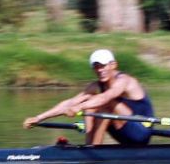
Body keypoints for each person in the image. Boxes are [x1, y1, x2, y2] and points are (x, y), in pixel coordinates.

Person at [22, 49, 155, 145]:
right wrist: (39, 117)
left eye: (103, 66)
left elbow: (105, 98)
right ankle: (90, 146)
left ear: (113, 65)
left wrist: (78, 107)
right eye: (96, 67)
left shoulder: (125, 81)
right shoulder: (96, 86)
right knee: (90, 102)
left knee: (102, 103)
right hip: (122, 132)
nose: (99, 70)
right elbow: (70, 102)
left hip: (140, 133)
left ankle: (94, 150)